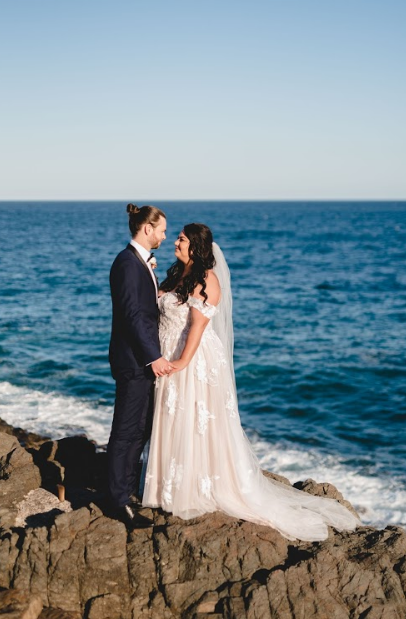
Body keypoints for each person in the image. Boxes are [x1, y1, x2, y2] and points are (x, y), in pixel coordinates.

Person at [142, 223, 361, 541]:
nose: (175, 241)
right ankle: (168, 485)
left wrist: (182, 363)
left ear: (197, 247)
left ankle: (190, 490)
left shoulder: (207, 281)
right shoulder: (176, 273)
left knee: (193, 422)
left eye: (182, 239)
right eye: (176, 237)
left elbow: (196, 330)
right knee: (174, 419)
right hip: (169, 356)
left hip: (192, 359)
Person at [107, 203, 173, 526]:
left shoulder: (138, 263)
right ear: (147, 229)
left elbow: (144, 308)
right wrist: (154, 356)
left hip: (139, 362)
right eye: (162, 230)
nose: (164, 235)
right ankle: (118, 500)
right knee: (126, 430)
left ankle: (128, 490)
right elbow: (133, 316)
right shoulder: (126, 264)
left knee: (140, 429)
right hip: (134, 361)